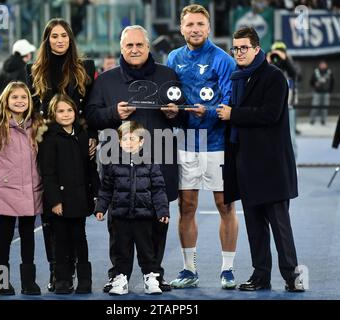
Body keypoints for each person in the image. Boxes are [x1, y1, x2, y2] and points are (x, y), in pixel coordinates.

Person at [85, 25, 184, 293]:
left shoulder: (168, 75)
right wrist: (113, 114)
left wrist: (176, 114)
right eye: (129, 45)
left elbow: (184, 113)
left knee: (158, 220)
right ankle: (118, 274)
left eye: (139, 44)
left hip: (160, 160)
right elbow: (91, 117)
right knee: (119, 226)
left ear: (148, 47)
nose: (134, 49)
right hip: (118, 164)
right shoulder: (105, 80)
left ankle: (155, 274)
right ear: (121, 48)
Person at [216, 26, 305, 292]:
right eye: (236, 48)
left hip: (272, 166)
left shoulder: (274, 76)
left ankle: (292, 276)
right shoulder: (236, 77)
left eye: (244, 47)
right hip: (246, 164)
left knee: (280, 227)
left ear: (257, 49)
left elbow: (270, 114)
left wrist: (234, 115)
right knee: (255, 227)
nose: (239, 52)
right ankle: (261, 276)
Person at [166, 4, 239, 289]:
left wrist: (206, 112)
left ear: (208, 28)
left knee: (225, 205)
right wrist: (171, 111)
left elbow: (230, 100)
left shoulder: (222, 59)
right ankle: (188, 269)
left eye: (200, 24)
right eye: (189, 25)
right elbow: (169, 94)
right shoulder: (173, 57)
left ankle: (228, 269)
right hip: (185, 142)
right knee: (187, 206)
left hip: (217, 143)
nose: (195, 29)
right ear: (181, 28)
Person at [26, 18, 97, 292]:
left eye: (64, 36)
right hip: (46, 146)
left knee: (76, 214)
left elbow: (90, 107)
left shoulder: (85, 68)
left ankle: (80, 273)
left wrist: (92, 136)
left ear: (70, 39)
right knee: (50, 213)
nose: (59, 40)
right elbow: (30, 111)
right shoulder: (33, 70)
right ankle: (57, 272)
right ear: (47, 39)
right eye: (54, 36)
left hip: (78, 145)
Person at [0, 81, 43, 296]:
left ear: (29, 101)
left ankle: (28, 283)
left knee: (28, 236)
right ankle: (1, 282)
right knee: (4, 236)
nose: (20, 101)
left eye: (24, 97)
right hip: (7, 191)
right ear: (6, 100)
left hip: (31, 190)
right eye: (15, 97)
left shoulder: (37, 126)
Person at [95, 121, 170, 295]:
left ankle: (151, 276)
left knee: (147, 249)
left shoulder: (150, 162)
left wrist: (162, 211)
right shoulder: (113, 163)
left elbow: (159, 189)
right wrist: (101, 208)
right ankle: (120, 278)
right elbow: (106, 189)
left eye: (133, 139)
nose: (129, 142)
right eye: (125, 139)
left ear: (142, 142)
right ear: (119, 142)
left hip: (144, 216)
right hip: (120, 216)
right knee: (121, 249)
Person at [38, 94, 99, 295]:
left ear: (76, 112)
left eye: (69, 110)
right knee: (61, 242)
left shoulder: (83, 136)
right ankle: (62, 280)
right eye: (60, 111)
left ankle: (84, 280)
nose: (66, 114)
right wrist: (55, 200)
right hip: (60, 202)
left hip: (80, 199)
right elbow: (48, 173)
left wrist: (96, 195)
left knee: (80, 240)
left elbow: (91, 169)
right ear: (53, 114)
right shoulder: (49, 139)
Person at [266, 40, 299, 159]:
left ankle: (293, 163)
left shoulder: (289, 63)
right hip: (270, 107)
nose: (278, 55)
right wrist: (268, 59)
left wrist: (285, 60)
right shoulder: (270, 63)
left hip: (288, 106)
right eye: (276, 52)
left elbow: (296, 74)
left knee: (291, 136)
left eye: (281, 52)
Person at [309, 60, 334, 125]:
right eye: (321, 64)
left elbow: (332, 82)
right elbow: (311, 82)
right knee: (315, 106)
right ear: (319, 65)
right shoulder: (316, 72)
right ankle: (312, 120)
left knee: (325, 107)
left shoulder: (329, 72)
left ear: (326, 65)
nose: (323, 66)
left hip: (326, 92)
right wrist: (315, 85)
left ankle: (323, 120)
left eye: (324, 64)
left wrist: (330, 91)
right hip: (317, 92)